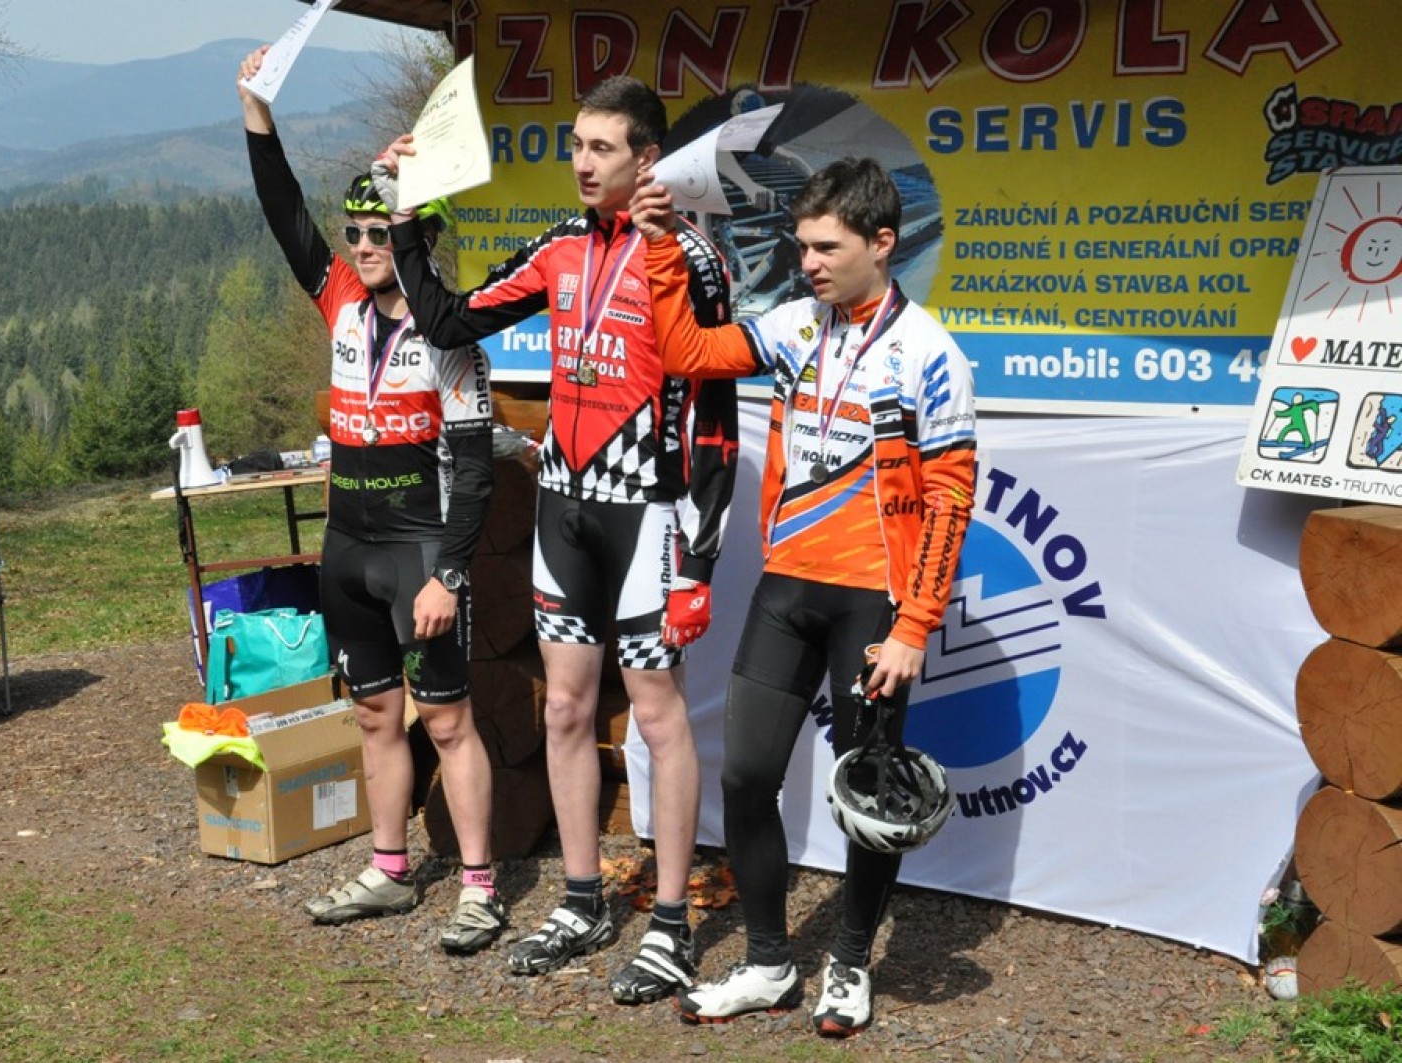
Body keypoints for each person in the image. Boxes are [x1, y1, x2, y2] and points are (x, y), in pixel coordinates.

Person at [375, 75, 740, 1004]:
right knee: (566, 707)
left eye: (601, 148)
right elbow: (448, 320)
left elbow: (716, 420)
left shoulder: (694, 259)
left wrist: (700, 556)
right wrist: (408, 219)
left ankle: (670, 923)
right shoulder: (559, 246)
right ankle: (582, 899)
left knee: (657, 713)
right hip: (564, 509)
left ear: (647, 159)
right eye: (576, 144)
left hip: (649, 511)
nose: (581, 161)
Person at [629, 157, 978, 1035]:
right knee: (746, 774)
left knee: (870, 793)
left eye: (826, 247)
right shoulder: (794, 325)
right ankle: (768, 962)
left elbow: (950, 499)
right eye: (802, 246)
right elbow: (686, 352)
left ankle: (851, 960)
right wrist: (663, 247)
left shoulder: (928, 353)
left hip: (873, 605)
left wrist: (914, 625)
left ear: (882, 242)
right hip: (788, 586)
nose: (808, 262)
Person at [238, 46, 505, 955]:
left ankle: (479, 887)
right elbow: (286, 217)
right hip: (347, 547)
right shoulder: (342, 303)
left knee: (450, 721)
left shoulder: (451, 336)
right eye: (354, 232)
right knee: (373, 715)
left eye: (379, 234)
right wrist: (257, 114)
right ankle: (390, 869)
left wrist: (451, 575)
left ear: (414, 236)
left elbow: (476, 470)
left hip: (418, 550)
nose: (360, 246)